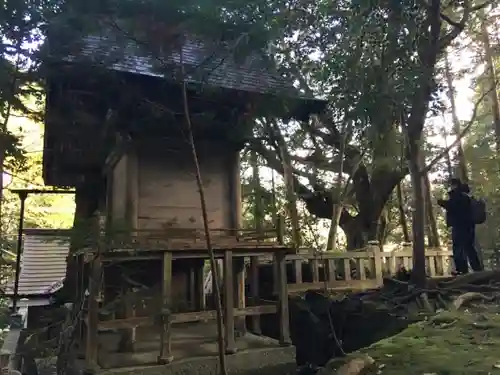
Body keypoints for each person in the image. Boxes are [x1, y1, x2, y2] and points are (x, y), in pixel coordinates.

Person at [437, 178, 482, 275]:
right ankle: (477, 270)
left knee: (458, 248)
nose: (450, 187)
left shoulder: (458, 195)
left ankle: (462, 270)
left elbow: (455, 207)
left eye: (451, 184)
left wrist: (443, 203)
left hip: (460, 225)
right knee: (469, 248)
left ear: (455, 185)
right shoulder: (466, 195)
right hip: (469, 226)